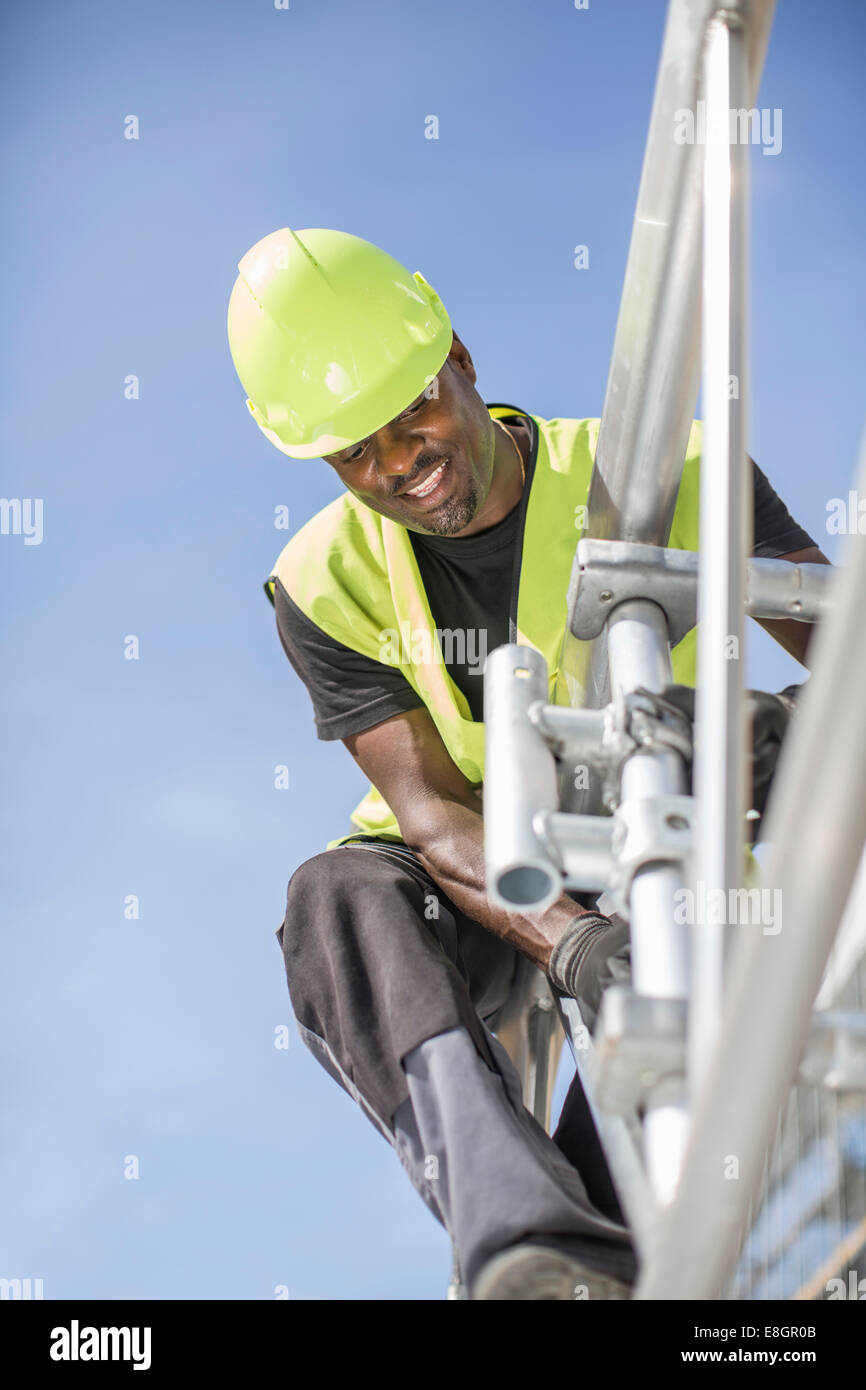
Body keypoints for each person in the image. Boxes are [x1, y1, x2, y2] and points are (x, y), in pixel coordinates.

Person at [227, 227, 831, 1300]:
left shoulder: (671, 472)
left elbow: (846, 665)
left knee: (729, 803)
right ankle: (525, 1246)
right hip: (477, 884)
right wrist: (573, 943)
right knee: (336, 897)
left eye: (408, 414)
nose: (396, 462)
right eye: (353, 450)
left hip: (661, 831)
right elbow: (426, 816)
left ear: (456, 357)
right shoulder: (318, 583)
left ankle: (622, 1256)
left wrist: (772, 742)